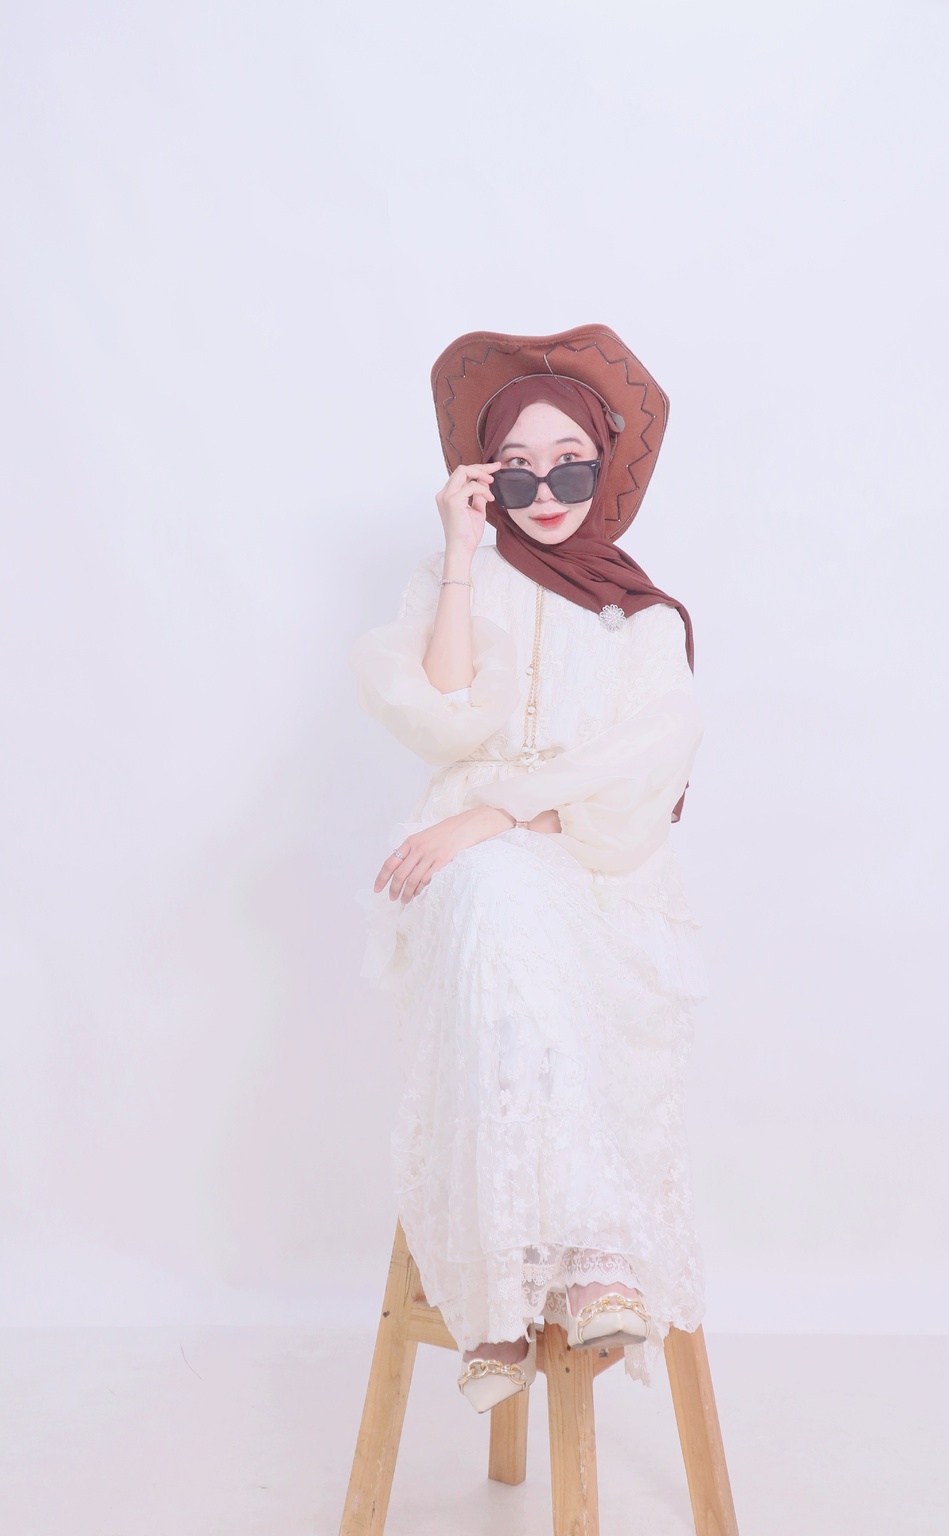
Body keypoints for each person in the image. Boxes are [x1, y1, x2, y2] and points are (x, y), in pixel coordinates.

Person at [351, 324, 707, 1413]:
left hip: (601, 876)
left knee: (515, 905)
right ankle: (585, 1264)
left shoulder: (642, 619)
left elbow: (642, 762)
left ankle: (502, 1306)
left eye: (571, 466)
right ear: (483, 478)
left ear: (608, 466)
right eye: (516, 471)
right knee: (497, 898)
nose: (545, 493)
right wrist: (462, 555)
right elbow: (444, 714)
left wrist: (500, 812)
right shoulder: (460, 579)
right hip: (467, 873)